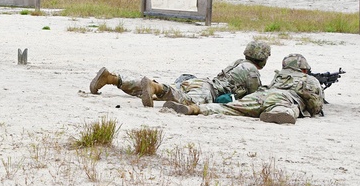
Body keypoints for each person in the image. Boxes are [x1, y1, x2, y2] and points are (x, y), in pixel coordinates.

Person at [89, 40, 271, 107]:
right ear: (263, 59)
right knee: (184, 102)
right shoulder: (252, 72)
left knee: (158, 91)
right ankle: (155, 86)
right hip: (207, 90)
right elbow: (254, 98)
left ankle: (114, 79)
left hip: (198, 82)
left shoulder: (238, 63)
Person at [161, 53, 324, 125]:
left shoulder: (279, 76)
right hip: (283, 100)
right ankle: (278, 114)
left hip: (262, 95)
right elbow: (315, 106)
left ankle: (193, 109)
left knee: (229, 108)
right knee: (287, 108)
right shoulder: (309, 80)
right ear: (304, 69)